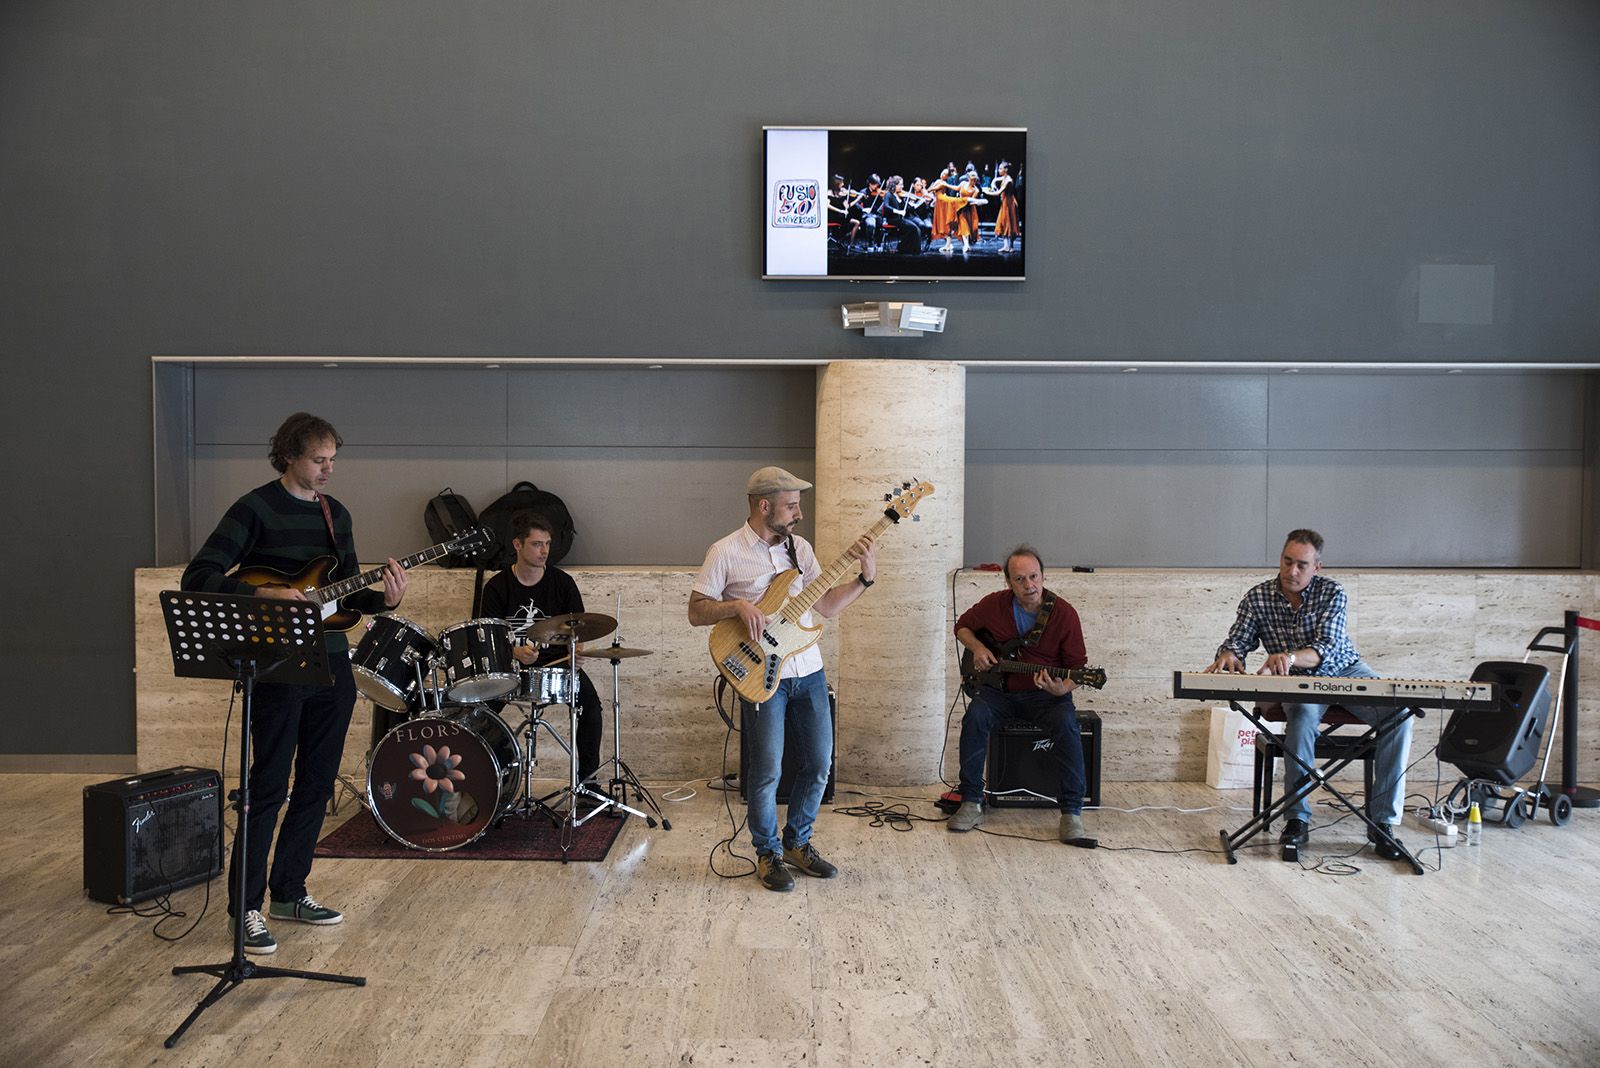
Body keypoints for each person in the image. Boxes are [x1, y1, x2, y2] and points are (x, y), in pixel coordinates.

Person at [182, 412, 406, 955]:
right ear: (288, 456)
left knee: (316, 784)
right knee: (268, 787)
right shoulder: (254, 508)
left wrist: (386, 599)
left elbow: (347, 595)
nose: (328, 470)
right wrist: (263, 595)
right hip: (277, 665)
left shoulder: (337, 515)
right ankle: (246, 909)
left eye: (333, 460)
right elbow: (201, 575)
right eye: (318, 460)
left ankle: (289, 891)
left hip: (330, 662)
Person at [687, 466, 877, 892]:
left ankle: (798, 843)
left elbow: (825, 606)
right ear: (764, 505)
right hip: (759, 674)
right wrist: (736, 606)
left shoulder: (800, 550)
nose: (799, 514)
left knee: (819, 764)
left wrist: (864, 578)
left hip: (808, 670)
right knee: (767, 769)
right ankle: (768, 852)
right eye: (792, 506)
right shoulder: (726, 551)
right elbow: (697, 610)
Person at [1203, 529, 1414, 860]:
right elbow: (1238, 640)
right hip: (1298, 681)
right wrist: (1230, 653)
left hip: (1346, 670)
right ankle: (1296, 820)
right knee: (1300, 718)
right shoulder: (1257, 598)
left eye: (1302, 564)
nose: (1292, 571)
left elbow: (1325, 649)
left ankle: (1383, 824)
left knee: (1399, 716)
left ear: (1317, 567)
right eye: (1287, 562)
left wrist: (1286, 657)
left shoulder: (1333, 593)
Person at [949, 546, 1093, 844]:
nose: (1029, 586)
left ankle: (1071, 811)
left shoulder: (1064, 614)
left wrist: (1062, 688)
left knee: (1067, 725)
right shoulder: (994, 605)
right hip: (999, 692)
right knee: (974, 717)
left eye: (1034, 577)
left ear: (1043, 576)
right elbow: (962, 626)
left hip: (1046, 697)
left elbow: (1078, 668)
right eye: (1020, 580)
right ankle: (972, 801)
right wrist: (978, 648)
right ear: (1008, 583)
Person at [479, 510, 603, 787]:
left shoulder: (562, 583)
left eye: (547, 543)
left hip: (556, 666)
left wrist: (575, 654)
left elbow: (578, 630)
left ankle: (587, 783)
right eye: (537, 544)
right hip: (510, 668)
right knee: (478, 712)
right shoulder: (497, 587)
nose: (544, 550)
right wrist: (514, 652)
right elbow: (487, 637)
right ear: (517, 545)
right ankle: (487, 781)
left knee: (591, 708)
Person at [985, 160, 1019, 253]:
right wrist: (993, 182)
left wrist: (987, 192)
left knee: (1010, 224)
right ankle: (1006, 246)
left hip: (1010, 204)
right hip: (1005, 203)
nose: (999, 170)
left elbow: (998, 193)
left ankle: (1011, 246)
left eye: (1000, 168)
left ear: (1006, 169)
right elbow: (996, 179)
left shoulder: (1008, 180)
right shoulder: (1004, 177)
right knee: (1002, 223)